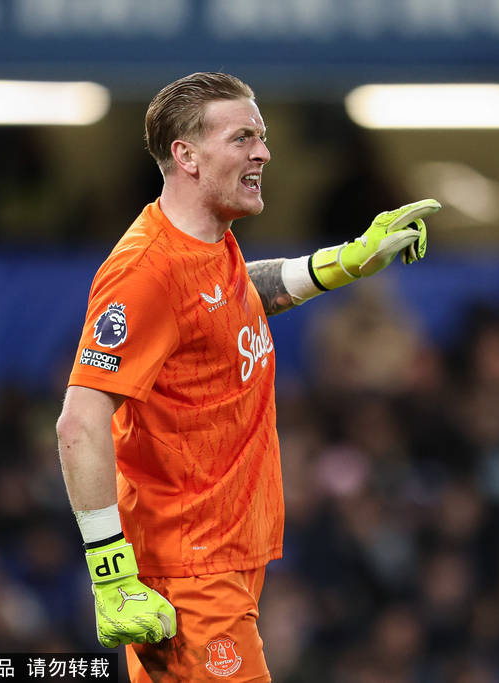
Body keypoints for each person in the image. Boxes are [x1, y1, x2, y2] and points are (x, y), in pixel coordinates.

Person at [55, 71, 440, 682]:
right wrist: (110, 572)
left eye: (260, 137)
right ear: (187, 156)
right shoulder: (146, 272)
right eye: (242, 138)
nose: (263, 152)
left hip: (221, 558)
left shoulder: (208, 244)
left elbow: (231, 297)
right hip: (189, 571)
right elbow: (79, 421)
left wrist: (343, 263)